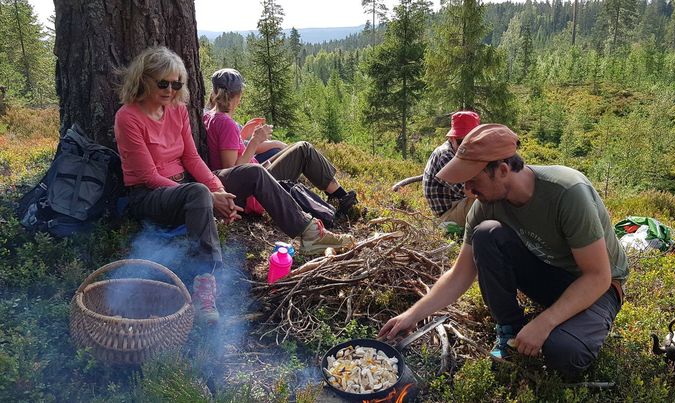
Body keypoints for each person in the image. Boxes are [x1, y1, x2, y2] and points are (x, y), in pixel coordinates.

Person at [114, 47, 355, 324]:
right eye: (163, 83)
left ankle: (308, 232)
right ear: (144, 79)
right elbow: (148, 176)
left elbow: (191, 158)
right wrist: (208, 196)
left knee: (252, 172)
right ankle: (203, 285)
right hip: (151, 195)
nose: (170, 89)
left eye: (176, 83)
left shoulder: (177, 111)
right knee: (197, 192)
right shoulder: (128, 117)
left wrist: (217, 189)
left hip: (188, 187)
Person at [379, 124, 628, 380]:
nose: (468, 190)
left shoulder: (567, 192)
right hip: (549, 275)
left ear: (502, 170)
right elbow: (459, 274)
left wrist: (545, 322)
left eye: (473, 180)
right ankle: (509, 327)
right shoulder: (485, 205)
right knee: (486, 234)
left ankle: (570, 326)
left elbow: (598, 276)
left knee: (564, 353)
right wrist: (413, 314)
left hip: (599, 286)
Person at [204, 68, 358, 216]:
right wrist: (255, 141)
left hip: (254, 177)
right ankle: (342, 197)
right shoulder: (226, 123)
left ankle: (338, 196)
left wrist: (247, 137)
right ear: (237, 95)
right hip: (254, 189)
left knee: (288, 150)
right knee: (303, 150)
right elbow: (231, 171)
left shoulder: (209, 117)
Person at [423, 111, 480, 226]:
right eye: (461, 141)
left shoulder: (461, 154)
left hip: (459, 204)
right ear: (452, 138)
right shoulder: (445, 156)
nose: (466, 146)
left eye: (471, 142)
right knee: (488, 201)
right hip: (448, 215)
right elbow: (471, 192)